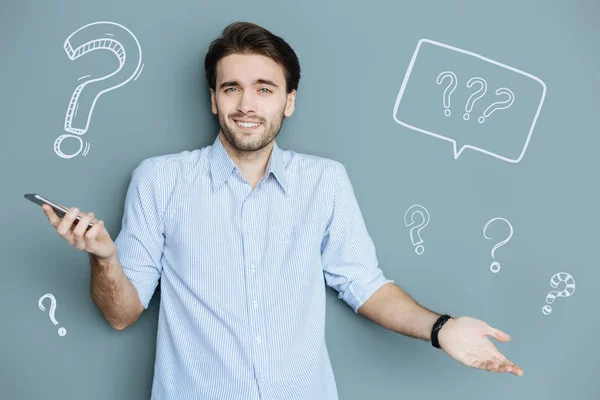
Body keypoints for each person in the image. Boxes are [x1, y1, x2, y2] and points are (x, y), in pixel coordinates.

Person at [41, 21, 524, 400]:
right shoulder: (160, 179)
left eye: (265, 88)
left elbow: (365, 285)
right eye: (231, 88)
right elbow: (122, 314)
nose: (246, 104)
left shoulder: (325, 181)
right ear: (213, 98)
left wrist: (442, 329)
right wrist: (103, 257)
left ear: (289, 102)